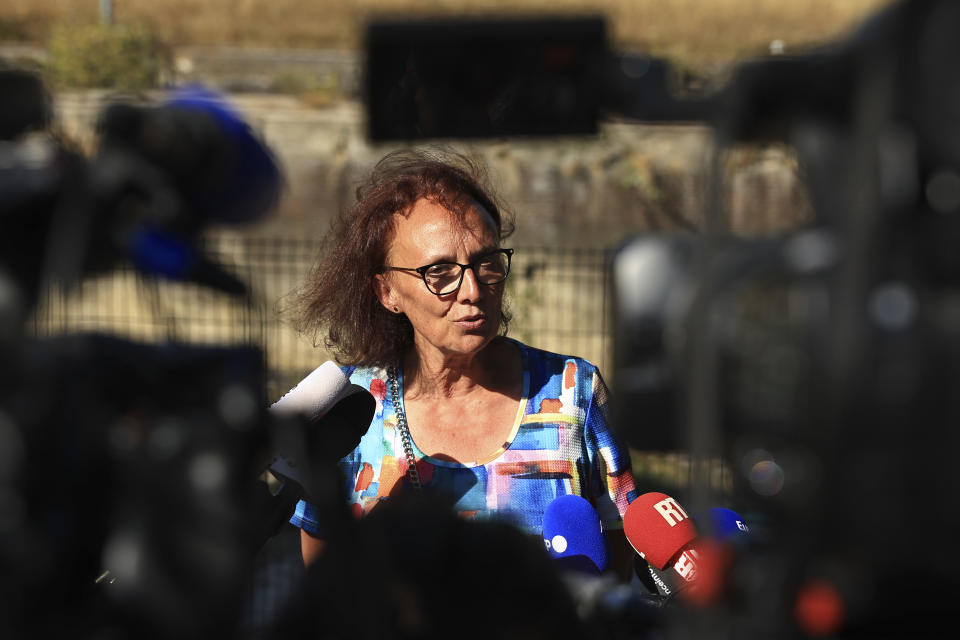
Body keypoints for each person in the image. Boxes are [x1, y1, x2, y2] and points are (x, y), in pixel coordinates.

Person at [287, 147, 639, 580]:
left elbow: (624, 548)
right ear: (387, 293)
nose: (472, 289)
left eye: (486, 262)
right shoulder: (350, 408)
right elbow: (320, 579)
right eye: (439, 272)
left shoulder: (573, 392)